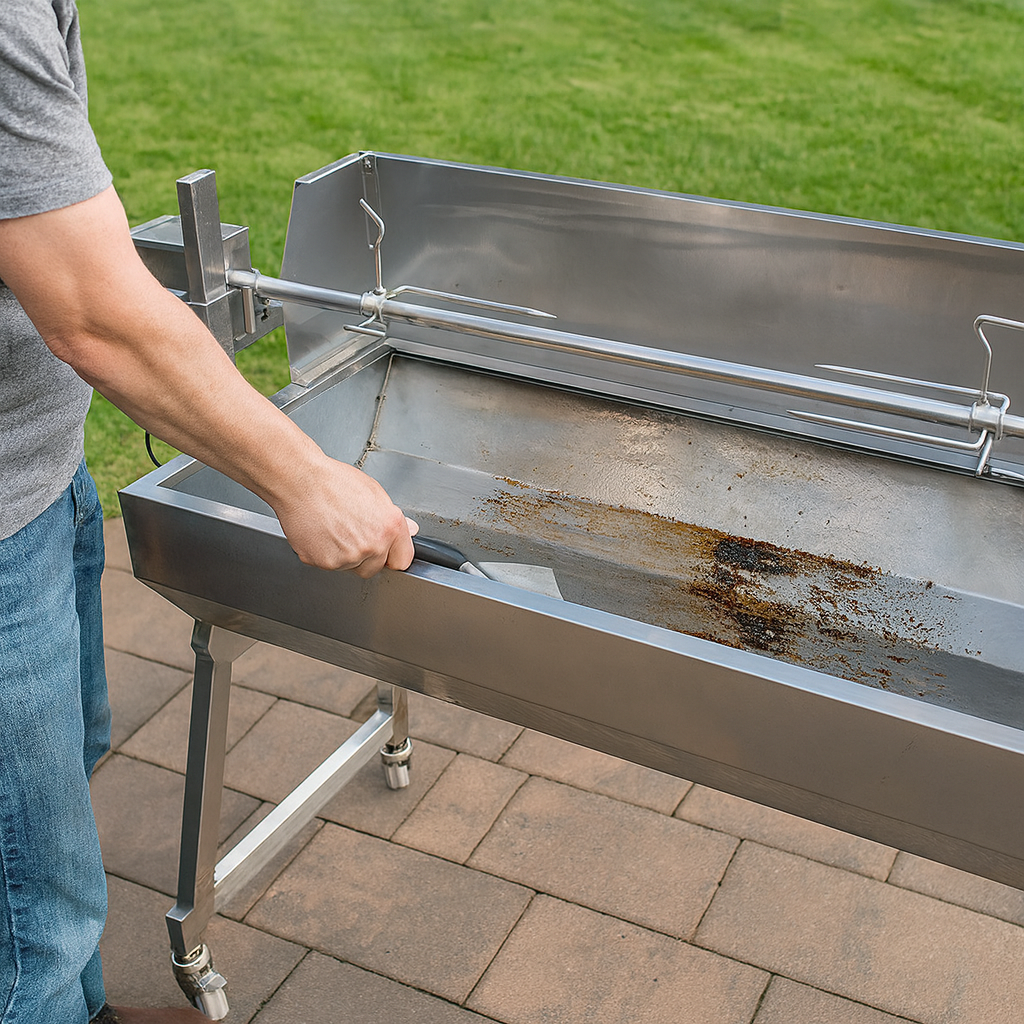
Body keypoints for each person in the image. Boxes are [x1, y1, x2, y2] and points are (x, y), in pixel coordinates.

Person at [0, 3, 417, 1022]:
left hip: (32, 472)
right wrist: (304, 480)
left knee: (48, 798)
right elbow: (95, 312)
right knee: (32, 899)